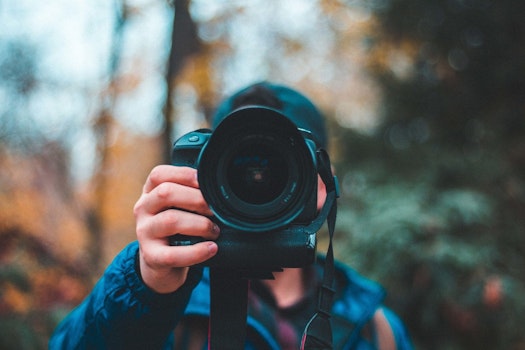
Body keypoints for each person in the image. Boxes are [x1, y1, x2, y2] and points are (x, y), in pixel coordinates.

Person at [49, 82, 413, 349]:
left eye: (282, 166)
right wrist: (145, 284)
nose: (257, 178)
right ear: (204, 174)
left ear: (322, 183)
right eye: (241, 165)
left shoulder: (378, 331)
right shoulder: (170, 305)